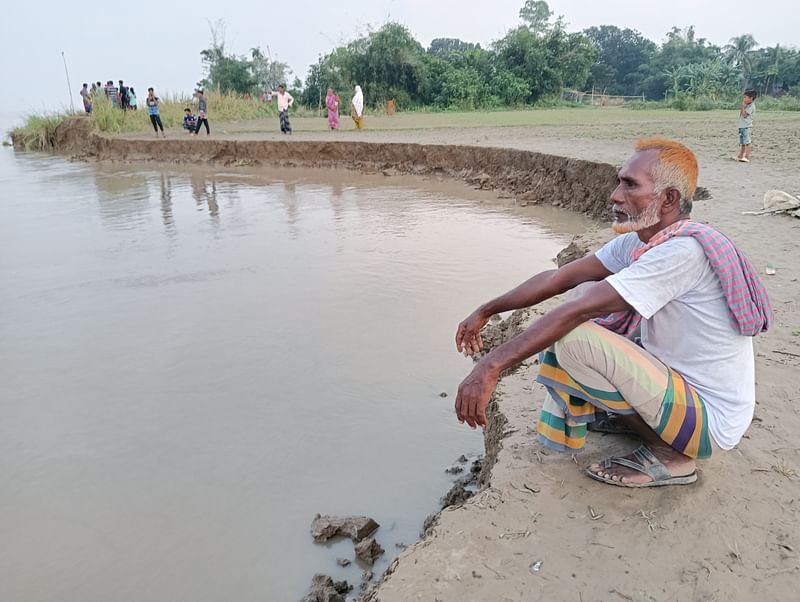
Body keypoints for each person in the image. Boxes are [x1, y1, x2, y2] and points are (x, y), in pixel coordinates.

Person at [454, 138, 772, 488]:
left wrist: (490, 366)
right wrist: (486, 309)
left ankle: (672, 455)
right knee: (582, 296)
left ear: (669, 199)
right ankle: (647, 424)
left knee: (574, 334)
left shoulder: (681, 253)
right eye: (620, 181)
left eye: (630, 185)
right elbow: (559, 278)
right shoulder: (643, 240)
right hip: (681, 394)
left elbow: (576, 311)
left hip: (709, 422)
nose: (615, 195)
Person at [736, 90, 757, 162]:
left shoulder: (751, 106)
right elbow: (741, 115)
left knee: (747, 142)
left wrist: (742, 107)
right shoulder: (747, 106)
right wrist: (742, 108)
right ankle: (740, 156)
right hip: (742, 126)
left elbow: (744, 115)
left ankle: (747, 157)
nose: (744, 99)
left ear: (751, 98)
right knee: (742, 143)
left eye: (745, 97)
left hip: (746, 126)